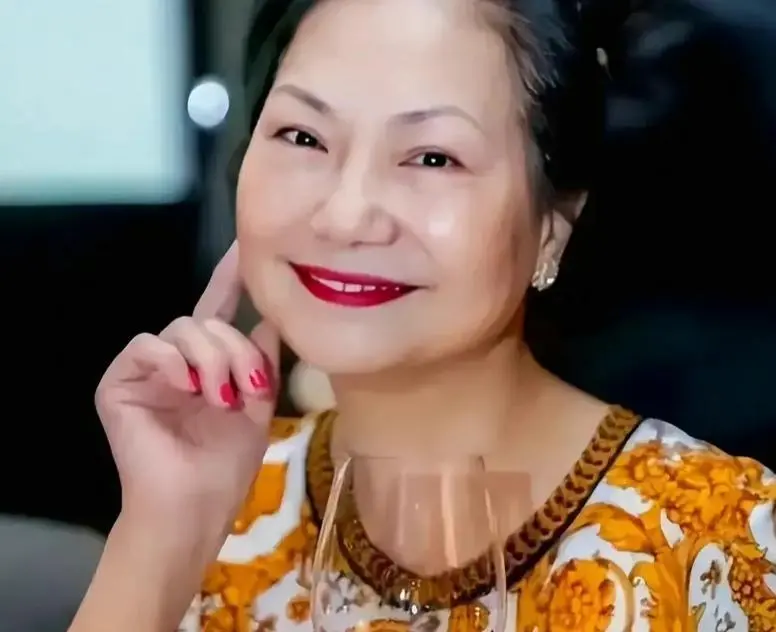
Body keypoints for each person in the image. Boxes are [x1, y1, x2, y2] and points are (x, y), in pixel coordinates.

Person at [69, 0, 776, 630]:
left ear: (552, 225)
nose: (345, 215)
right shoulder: (223, 497)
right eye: (303, 137)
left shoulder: (716, 539)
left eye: (433, 158)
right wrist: (160, 536)